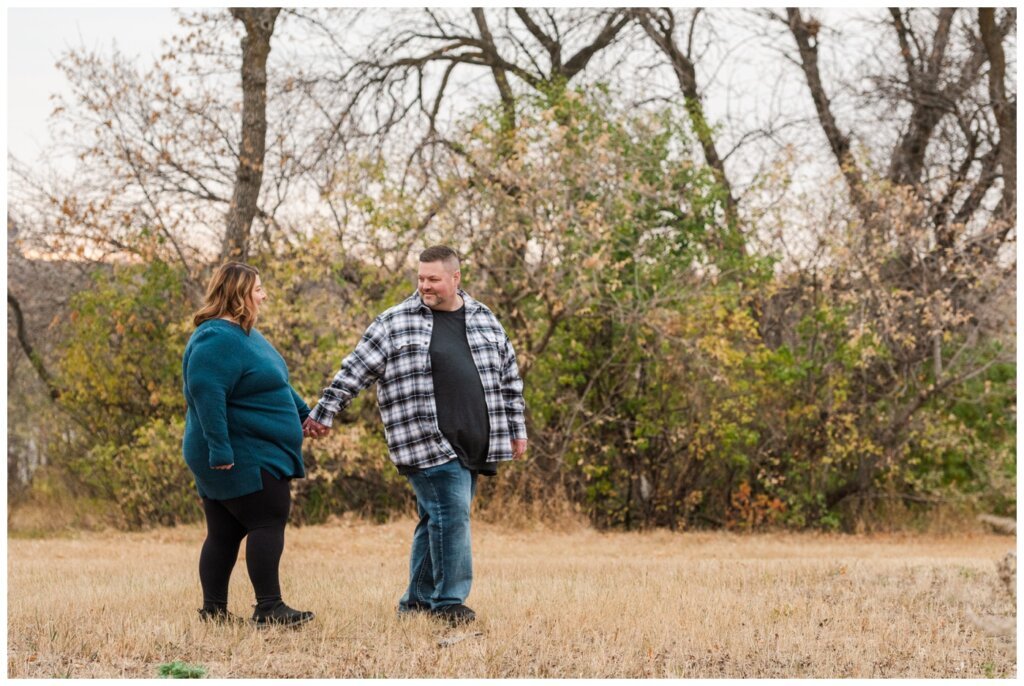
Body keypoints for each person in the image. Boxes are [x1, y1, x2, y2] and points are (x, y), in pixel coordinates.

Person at [303, 245, 527, 626]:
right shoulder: (394, 322)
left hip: (475, 443)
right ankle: (449, 602)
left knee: (437, 518)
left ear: (455, 278)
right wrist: (324, 413)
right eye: (421, 278)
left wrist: (516, 430)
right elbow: (353, 371)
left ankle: (416, 602)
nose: (425, 285)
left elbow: (510, 378)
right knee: (451, 516)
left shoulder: (486, 319)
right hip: (423, 441)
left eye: (434, 279)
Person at [182, 261, 315, 627]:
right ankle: (269, 607)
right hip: (241, 451)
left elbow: (275, 381)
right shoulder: (216, 337)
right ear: (239, 293)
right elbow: (207, 393)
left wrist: (304, 413)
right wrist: (220, 449)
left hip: (249, 447)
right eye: (258, 289)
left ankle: (214, 612)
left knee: (224, 531)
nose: (264, 294)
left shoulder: (245, 334)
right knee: (267, 519)